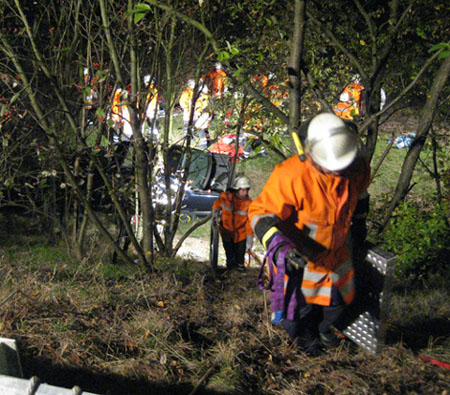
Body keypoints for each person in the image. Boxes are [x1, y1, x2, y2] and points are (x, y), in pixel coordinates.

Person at [249, 112, 370, 355]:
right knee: (297, 316)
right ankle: (305, 344)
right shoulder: (292, 174)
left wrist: (358, 224)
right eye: (332, 169)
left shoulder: (355, 166)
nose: (338, 173)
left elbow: (362, 194)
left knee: (337, 304)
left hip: (337, 257)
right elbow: (260, 213)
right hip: (301, 260)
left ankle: (323, 330)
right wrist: (280, 247)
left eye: (343, 168)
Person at [212, 176, 254, 271]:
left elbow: (250, 223)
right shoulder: (226, 197)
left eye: (247, 190)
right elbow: (216, 204)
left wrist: (249, 240)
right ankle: (230, 273)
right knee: (230, 256)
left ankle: (239, 273)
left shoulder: (249, 203)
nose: (245, 193)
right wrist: (215, 213)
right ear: (237, 189)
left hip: (241, 235)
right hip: (226, 232)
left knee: (239, 259)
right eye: (243, 190)